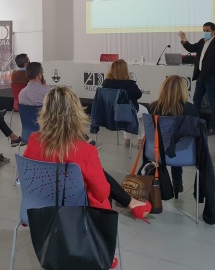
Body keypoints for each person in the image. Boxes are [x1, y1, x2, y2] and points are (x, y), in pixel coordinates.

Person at [23, 87, 151, 222]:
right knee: (97, 180)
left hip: (39, 209)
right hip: (78, 215)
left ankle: (131, 202)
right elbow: (101, 194)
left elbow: (25, 177)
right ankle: (131, 203)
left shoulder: (33, 140)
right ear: (76, 114)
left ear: (45, 111)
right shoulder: (86, 151)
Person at [149, 75, 198, 198]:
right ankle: (177, 183)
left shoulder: (154, 107)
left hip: (157, 152)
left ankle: (162, 185)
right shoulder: (190, 109)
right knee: (178, 144)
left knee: (168, 143)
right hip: (183, 154)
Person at [178, 22, 215, 135]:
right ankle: (195, 124)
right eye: (204, 30)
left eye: (207, 30)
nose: (205, 32)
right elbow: (191, 48)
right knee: (196, 100)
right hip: (200, 77)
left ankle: (212, 127)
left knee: (212, 102)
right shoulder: (202, 41)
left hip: (211, 79)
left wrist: (212, 76)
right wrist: (184, 39)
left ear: (214, 32)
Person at [101, 59, 143, 147]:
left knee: (123, 109)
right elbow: (138, 95)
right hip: (128, 112)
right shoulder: (129, 84)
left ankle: (127, 138)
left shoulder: (106, 83)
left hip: (111, 112)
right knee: (142, 113)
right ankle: (140, 139)